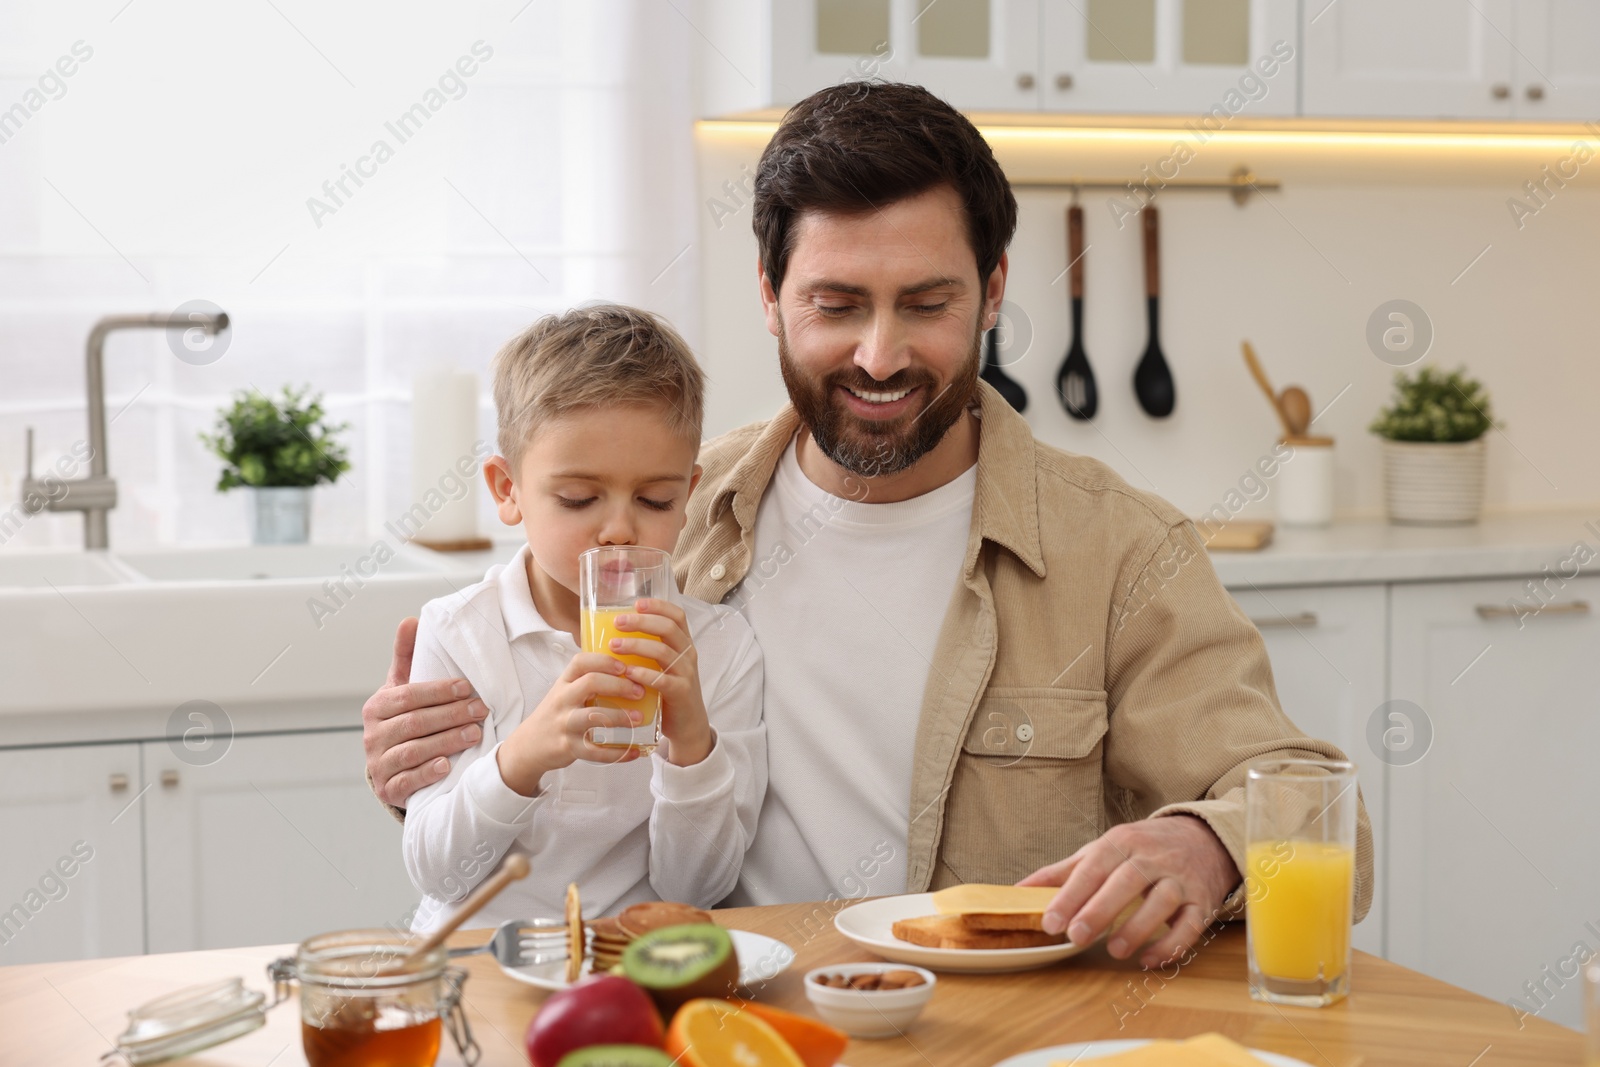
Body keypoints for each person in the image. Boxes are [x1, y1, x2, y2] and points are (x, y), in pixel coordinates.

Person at [368, 82, 1372, 968]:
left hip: (991, 1034)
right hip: (734, 1010)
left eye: (925, 303)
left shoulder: (1120, 551)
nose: (881, 355)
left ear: (992, 294)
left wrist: (1205, 842)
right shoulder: (674, 510)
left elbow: (1321, 815)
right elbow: (541, 761)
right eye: (836, 303)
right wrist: (450, 762)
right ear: (769, 298)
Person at [398, 305, 764, 932]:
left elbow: (698, 888)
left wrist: (691, 745)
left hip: (629, 961)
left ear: (689, 494)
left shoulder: (720, 645)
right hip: (477, 962)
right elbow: (440, 873)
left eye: (656, 500)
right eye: (577, 498)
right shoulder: (459, 632)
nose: (620, 528)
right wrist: (522, 757)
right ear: (507, 490)